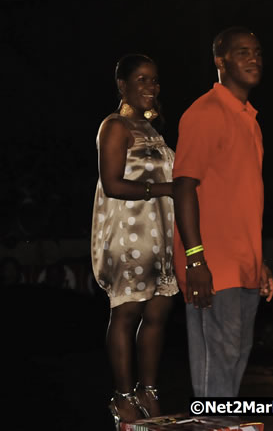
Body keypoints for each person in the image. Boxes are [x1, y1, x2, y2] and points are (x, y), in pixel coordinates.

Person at [173, 27, 273, 397]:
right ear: (220, 61)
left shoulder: (250, 119)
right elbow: (184, 187)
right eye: (242, 52)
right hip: (212, 264)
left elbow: (240, 199)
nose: (254, 59)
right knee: (217, 365)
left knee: (235, 358)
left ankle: (220, 421)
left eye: (257, 52)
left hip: (243, 262)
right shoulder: (205, 112)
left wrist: (259, 261)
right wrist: (195, 259)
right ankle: (212, 423)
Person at [91, 54, 177, 425]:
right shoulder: (115, 126)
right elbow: (112, 184)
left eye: (154, 80)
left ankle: (148, 391)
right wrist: (165, 188)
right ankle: (123, 396)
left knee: (158, 313)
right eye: (141, 79)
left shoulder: (152, 129)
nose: (151, 87)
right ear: (122, 85)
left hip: (161, 233)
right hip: (130, 234)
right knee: (127, 313)